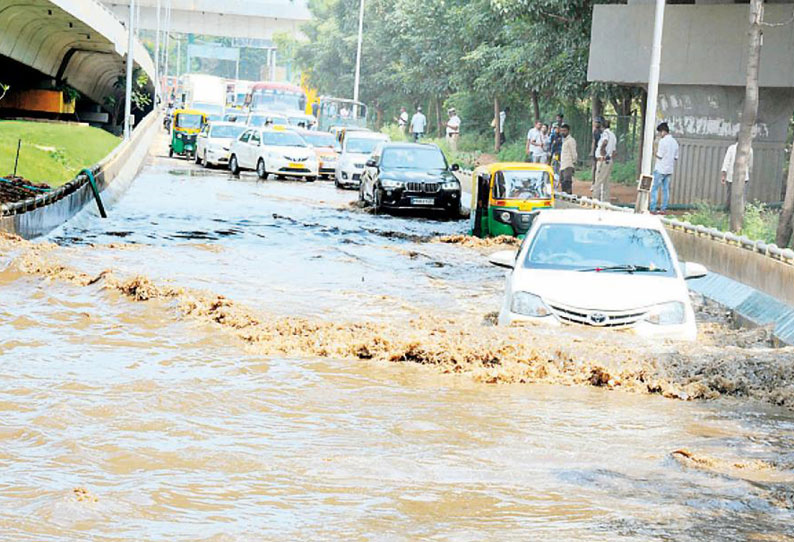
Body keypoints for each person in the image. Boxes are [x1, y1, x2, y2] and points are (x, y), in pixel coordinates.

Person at [650, 122, 679, 214]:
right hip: (669, 169)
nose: (659, 135)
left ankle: (653, 208)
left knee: (654, 189)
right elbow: (676, 157)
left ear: (663, 131)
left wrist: (653, 151)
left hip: (660, 168)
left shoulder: (663, 142)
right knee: (665, 190)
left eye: (659, 133)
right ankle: (663, 208)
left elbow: (659, 156)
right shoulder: (675, 142)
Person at [721, 139, 754, 212]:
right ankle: (737, 212)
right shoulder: (749, 149)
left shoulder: (732, 148)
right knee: (741, 196)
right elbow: (750, 164)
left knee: (731, 196)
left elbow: (726, 162)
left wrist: (723, 175)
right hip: (740, 177)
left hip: (732, 177)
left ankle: (728, 212)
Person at [592, 119, 617, 202]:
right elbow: (614, 151)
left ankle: (595, 199)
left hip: (602, 160)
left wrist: (603, 152)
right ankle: (605, 201)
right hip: (609, 160)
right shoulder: (613, 135)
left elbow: (605, 142)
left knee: (598, 181)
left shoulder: (605, 134)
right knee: (606, 182)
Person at [559, 123, 577, 194]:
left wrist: (573, 162)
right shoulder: (564, 141)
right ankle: (565, 198)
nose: (563, 132)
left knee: (567, 182)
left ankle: (568, 199)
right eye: (562, 131)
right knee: (563, 183)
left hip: (568, 164)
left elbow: (574, 152)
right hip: (563, 165)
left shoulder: (571, 140)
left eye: (564, 131)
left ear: (568, 131)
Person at [591, 117, 603, 183]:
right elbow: (595, 141)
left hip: (600, 150)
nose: (596, 124)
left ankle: (598, 181)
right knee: (595, 166)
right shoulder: (595, 131)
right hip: (596, 150)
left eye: (598, 122)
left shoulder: (602, 131)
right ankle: (594, 181)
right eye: (596, 122)